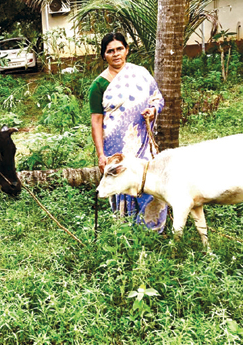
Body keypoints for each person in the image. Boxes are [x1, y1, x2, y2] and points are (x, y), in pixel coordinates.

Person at [89, 32, 167, 232]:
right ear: (104, 55)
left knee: (148, 181)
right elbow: (96, 121)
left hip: (142, 142)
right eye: (110, 51)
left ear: (127, 50)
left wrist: (152, 110)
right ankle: (127, 232)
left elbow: (157, 98)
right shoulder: (98, 85)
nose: (116, 54)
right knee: (121, 183)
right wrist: (101, 154)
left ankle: (153, 230)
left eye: (119, 49)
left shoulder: (140, 73)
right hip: (115, 147)